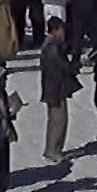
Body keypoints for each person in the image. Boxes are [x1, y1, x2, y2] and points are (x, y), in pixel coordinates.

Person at [38, 18, 80, 161]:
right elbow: (63, 66)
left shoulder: (51, 44)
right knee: (59, 121)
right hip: (55, 88)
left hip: (53, 87)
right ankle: (54, 151)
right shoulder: (52, 47)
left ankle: (51, 149)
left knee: (54, 120)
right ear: (55, 30)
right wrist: (77, 65)